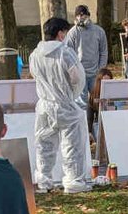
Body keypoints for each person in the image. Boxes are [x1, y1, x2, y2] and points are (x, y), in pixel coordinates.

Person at [29, 17, 90, 194]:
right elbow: (77, 77)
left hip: (44, 105)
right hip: (65, 104)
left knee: (44, 143)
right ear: (61, 33)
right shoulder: (65, 52)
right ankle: (73, 181)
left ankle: (43, 180)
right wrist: (71, 94)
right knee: (72, 144)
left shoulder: (35, 54)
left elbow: (34, 75)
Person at [64, 5, 109, 95]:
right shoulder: (72, 33)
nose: (81, 18)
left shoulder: (99, 31)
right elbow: (68, 54)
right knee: (81, 104)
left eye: (84, 15)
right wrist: (74, 72)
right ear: (76, 17)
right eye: (79, 16)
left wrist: (100, 70)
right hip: (79, 75)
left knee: (97, 100)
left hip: (95, 74)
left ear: (88, 16)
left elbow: (103, 52)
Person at [86, 67, 115, 146]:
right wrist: (89, 132)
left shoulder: (115, 93)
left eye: (108, 82)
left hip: (113, 122)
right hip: (99, 122)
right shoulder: (93, 95)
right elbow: (90, 116)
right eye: (104, 82)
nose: (106, 84)